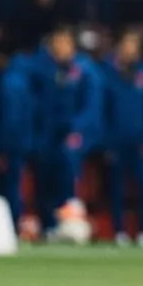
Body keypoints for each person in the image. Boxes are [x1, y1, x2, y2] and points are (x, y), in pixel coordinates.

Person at [32, 27, 104, 239]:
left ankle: (72, 221)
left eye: (64, 43)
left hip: (77, 132)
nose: (60, 48)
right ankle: (48, 225)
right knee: (45, 175)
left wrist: (77, 128)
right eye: (56, 44)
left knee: (68, 168)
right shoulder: (46, 70)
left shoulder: (85, 70)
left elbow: (91, 106)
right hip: (50, 133)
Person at [103, 30, 143, 247]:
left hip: (141, 141)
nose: (131, 50)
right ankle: (119, 231)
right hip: (117, 140)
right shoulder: (108, 73)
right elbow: (104, 110)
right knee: (117, 188)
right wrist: (106, 141)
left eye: (135, 46)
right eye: (128, 44)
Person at [0, 52, 36, 233]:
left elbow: (9, 118)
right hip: (25, 141)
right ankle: (15, 222)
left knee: (10, 185)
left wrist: (2, 147)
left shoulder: (9, 82)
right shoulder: (27, 82)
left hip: (12, 144)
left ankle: (10, 224)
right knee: (17, 183)